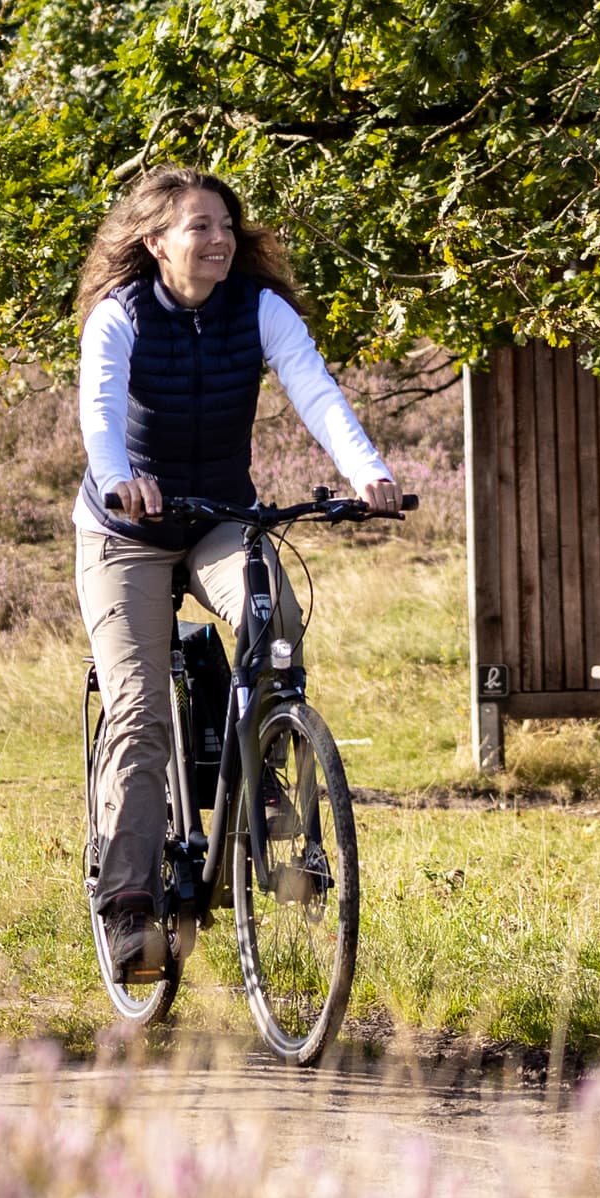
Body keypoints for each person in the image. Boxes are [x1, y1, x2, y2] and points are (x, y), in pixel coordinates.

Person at [73, 167, 396, 982]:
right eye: (200, 228)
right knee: (140, 709)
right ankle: (128, 905)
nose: (219, 240)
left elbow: (315, 391)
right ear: (156, 242)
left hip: (220, 516)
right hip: (127, 530)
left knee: (275, 621)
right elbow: (100, 412)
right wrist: (119, 479)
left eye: (225, 225)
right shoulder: (120, 314)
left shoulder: (258, 309)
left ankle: (269, 789)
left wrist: (367, 471)